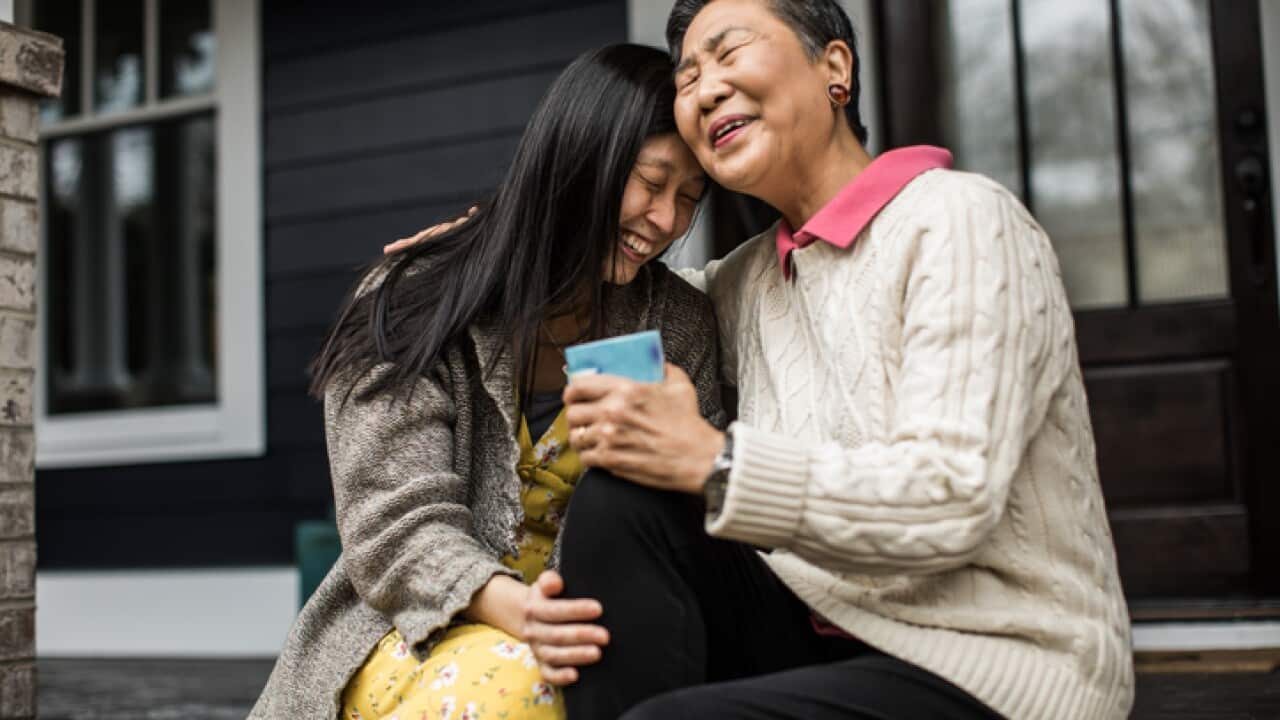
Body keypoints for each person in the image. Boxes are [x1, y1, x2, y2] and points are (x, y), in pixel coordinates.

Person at [552, 1, 1136, 719]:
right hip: (819, 637)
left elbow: (951, 497)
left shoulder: (960, 221)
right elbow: (607, 280)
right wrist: (480, 248)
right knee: (622, 499)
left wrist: (716, 462)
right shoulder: (747, 282)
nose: (704, 91)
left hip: (998, 663)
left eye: (729, 53)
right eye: (689, 75)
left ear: (835, 68)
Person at [248, 44, 725, 720]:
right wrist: (521, 612)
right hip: (414, 631)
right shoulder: (415, 297)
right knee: (518, 686)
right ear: (580, 157)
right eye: (651, 182)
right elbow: (395, 527)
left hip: (602, 639)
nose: (667, 221)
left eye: (689, 200)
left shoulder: (678, 326)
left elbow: (687, 521)